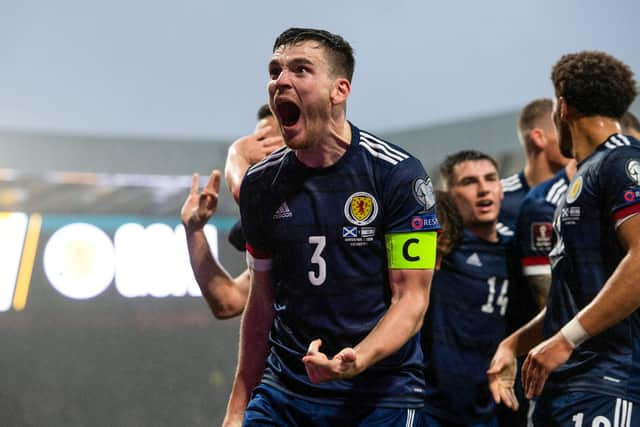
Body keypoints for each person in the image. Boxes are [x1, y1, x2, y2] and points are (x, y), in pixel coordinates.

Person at [223, 28, 439, 427]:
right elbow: (260, 303)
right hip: (285, 393)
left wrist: (360, 358)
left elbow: (411, 300)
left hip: (378, 396)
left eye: (300, 70)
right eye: (274, 72)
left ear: (339, 91)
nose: (280, 82)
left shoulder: (399, 175)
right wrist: (238, 406)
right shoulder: (260, 186)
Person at [488, 50, 640, 426]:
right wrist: (513, 344)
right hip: (564, 386)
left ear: (563, 107)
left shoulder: (622, 162)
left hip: (609, 382)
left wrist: (566, 339)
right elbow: (574, 299)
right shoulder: (587, 173)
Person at [422, 150, 516, 427]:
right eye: (469, 182)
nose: (483, 188)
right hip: (432, 410)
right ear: (450, 195)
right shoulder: (441, 250)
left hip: (491, 407)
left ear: (501, 190)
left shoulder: (517, 251)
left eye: (490, 179)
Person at [181, 105, 283, 319]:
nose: (260, 150)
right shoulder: (272, 236)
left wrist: (237, 154)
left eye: (270, 140)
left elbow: (243, 194)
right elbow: (228, 301)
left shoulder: (330, 199)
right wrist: (194, 230)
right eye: (258, 140)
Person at [499, 99, 570, 233]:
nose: (573, 140)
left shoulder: (580, 193)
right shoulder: (499, 197)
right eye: (565, 132)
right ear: (539, 138)